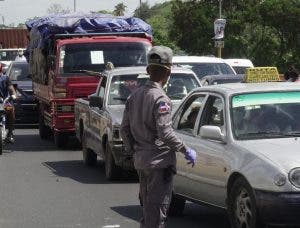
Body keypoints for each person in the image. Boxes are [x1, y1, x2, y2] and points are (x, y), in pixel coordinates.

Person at [120, 46, 197, 228]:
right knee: (156, 215)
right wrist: (186, 150)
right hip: (159, 165)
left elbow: (124, 129)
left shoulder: (134, 96)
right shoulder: (160, 99)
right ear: (168, 73)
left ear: (148, 70)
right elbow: (165, 133)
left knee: (148, 211)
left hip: (142, 161)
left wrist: (134, 150)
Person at [0, 64, 17, 143]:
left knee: (11, 111)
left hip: (4, 103)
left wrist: (13, 95)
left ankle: (10, 133)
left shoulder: (5, 78)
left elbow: (11, 89)